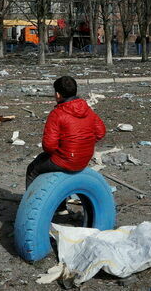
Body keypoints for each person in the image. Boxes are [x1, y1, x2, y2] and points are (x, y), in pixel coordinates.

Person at [26, 76, 106, 211]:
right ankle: (60, 206)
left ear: (57, 94)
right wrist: (84, 143)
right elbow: (101, 132)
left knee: (33, 169)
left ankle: (30, 207)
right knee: (52, 168)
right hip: (84, 158)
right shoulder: (87, 109)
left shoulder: (57, 113)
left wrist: (64, 150)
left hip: (65, 160)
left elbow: (49, 146)